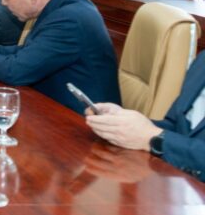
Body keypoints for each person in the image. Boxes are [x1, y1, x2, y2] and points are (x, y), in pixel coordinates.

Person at [85, 51, 205, 182]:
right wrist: (124, 122)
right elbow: (176, 126)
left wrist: (152, 137)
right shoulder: (202, 60)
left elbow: (159, 137)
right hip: (177, 181)